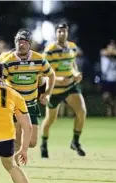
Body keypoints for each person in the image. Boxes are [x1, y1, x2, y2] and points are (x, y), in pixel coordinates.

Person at [0, 29, 55, 165]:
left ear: (30, 44)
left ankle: (11, 146)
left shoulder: (38, 59)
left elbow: (51, 75)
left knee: (33, 142)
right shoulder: (8, 61)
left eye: (24, 42)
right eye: (19, 42)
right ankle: (16, 162)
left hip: (31, 104)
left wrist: (47, 93)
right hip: (14, 106)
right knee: (18, 137)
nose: (21, 45)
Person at [40, 23, 86, 158]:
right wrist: (58, 79)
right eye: (59, 31)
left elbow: (72, 64)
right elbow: (43, 71)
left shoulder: (72, 47)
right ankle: (43, 144)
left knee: (82, 111)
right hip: (54, 90)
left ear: (67, 33)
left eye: (64, 31)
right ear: (56, 33)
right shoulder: (49, 50)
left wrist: (76, 73)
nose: (62, 34)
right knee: (50, 119)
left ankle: (75, 142)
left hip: (70, 86)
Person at [99, 40, 116, 116]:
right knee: (106, 97)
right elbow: (103, 52)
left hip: (115, 79)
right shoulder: (104, 54)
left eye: (113, 46)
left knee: (115, 97)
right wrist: (111, 51)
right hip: (106, 79)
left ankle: (111, 114)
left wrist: (113, 51)